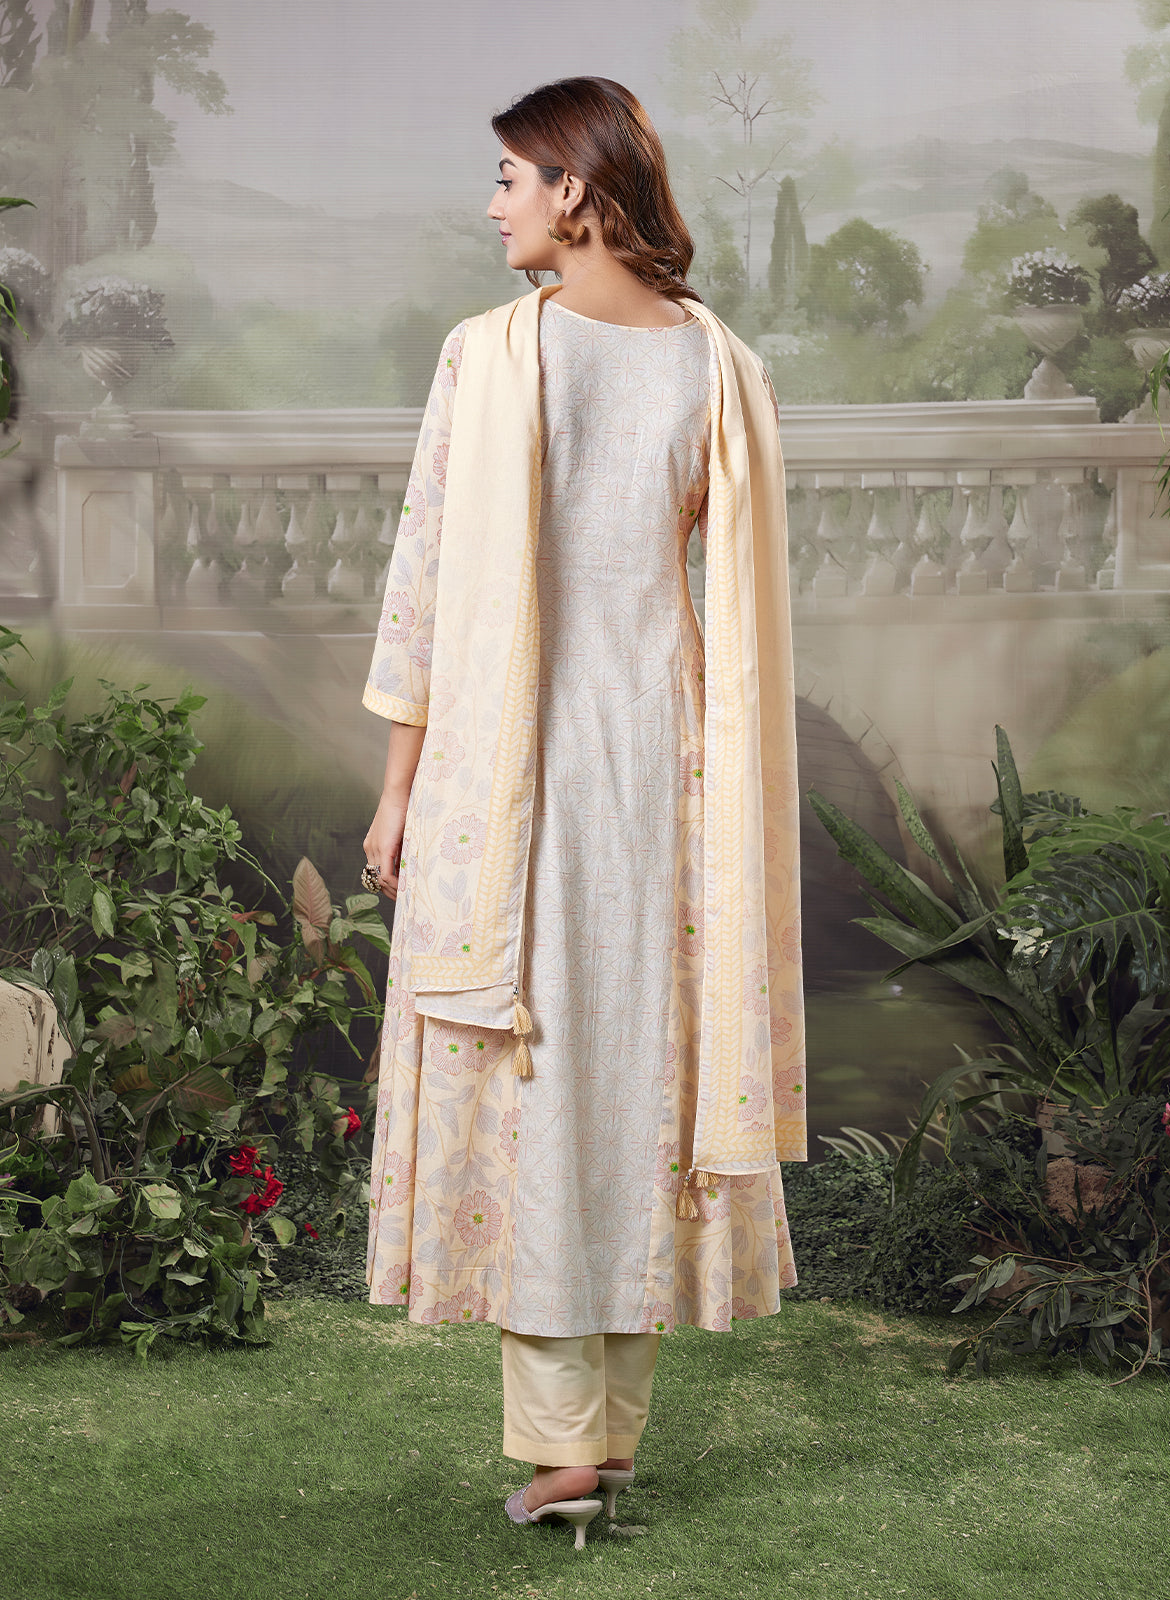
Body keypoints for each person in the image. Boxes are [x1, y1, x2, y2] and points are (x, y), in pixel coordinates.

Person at [361, 75, 807, 1548]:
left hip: (530, 763)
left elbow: (424, 589)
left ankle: (567, 1450)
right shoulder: (717, 364)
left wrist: (400, 789)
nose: (491, 202)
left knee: (554, 1085)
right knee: (633, 1083)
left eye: (510, 175)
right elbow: (734, 594)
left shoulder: (495, 356)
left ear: (577, 188)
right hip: (661, 759)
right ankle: (600, 1444)